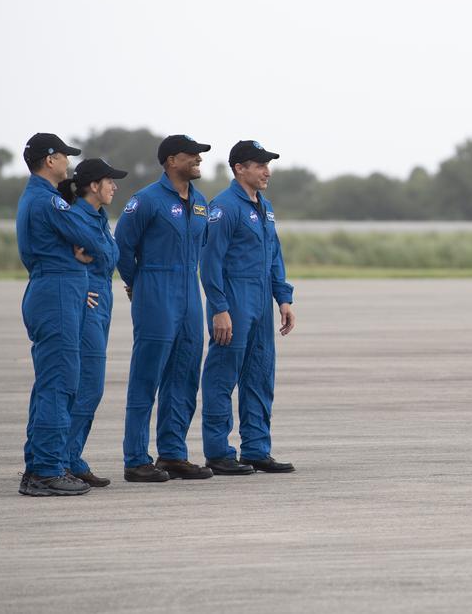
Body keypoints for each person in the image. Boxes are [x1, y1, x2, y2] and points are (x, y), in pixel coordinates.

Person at [15, 133, 113, 496]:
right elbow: (92, 237)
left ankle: (41, 465)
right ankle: (45, 471)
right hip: (56, 293)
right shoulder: (48, 202)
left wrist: (82, 247)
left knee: (52, 385)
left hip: (55, 291)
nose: (68, 163)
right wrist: (85, 246)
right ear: (50, 159)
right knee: (60, 383)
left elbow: (88, 240)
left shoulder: (44, 199)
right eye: (65, 156)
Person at [115, 135, 214, 482]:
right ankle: (136, 458)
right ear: (172, 160)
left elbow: (201, 247)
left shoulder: (200, 202)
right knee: (147, 375)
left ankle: (172, 453)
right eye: (193, 155)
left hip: (189, 290)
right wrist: (137, 284)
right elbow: (123, 247)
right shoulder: (146, 200)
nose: (199, 160)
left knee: (184, 375)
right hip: (155, 288)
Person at [200, 141, 297, 475]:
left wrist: (283, 298)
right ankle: (217, 452)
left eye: (267, 164)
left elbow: (274, 256)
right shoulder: (225, 207)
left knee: (259, 374)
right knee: (223, 375)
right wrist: (219, 307)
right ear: (240, 168)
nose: (266, 171)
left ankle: (256, 449)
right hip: (235, 299)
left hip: (261, 302)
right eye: (259, 165)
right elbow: (210, 262)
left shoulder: (264, 207)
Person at [57, 159, 128, 488]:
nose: (114, 186)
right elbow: (55, 257)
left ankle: (72, 457)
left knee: (90, 388)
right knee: (88, 387)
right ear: (93, 186)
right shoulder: (74, 218)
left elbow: (107, 256)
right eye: (109, 181)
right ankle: (64, 459)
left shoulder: (99, 218)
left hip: (103, 303)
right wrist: (79, 288)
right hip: (88, 306)